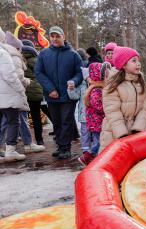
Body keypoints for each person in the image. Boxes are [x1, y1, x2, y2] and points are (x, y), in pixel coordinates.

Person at [35, 26, 83, 159]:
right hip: (51, 95)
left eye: (58, 36)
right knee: (56, 122)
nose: (55, 39)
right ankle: (61, 146)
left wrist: (74, 81)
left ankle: (65, 148)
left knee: (66, 121)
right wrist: (50, 89)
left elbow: (80, 72)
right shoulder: (44, 54)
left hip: (68, 95)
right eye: (53, 36)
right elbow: (39, 72)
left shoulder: (73, 54)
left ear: (64, 37)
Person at [99, 46, 146, 153]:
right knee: (114, 160)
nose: (138, 64)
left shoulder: (140, 82)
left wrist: (138, 128)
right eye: (134, 61)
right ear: (123, 64)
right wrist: (121, 133)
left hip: (135, 131)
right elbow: (112, 110)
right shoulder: (112, 84)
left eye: (138, 60)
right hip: (114, 132)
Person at [4, 31, 44, 153]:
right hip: (24, 92)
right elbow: (18, 77)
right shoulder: (16, 57)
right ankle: (31, 142)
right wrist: (24, 85)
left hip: (12, 94)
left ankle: (15, 143)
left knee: (9, 120)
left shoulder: (8, 56)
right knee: (25, 118)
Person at [0, 32, 29, 161]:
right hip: (8, 94)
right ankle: (11, 150)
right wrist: (20, 89)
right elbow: (10, 75)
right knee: (13, 120)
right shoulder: (3, 53)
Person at [78, 62, 110, 166]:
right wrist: (107, 108)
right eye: (104, 73)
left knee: (101, 141)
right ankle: (88, 157)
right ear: (99, 74)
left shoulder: (97, 87)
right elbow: (98, 105)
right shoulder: (96, 89)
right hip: (97, 123)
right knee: (99, 142)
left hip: (97, 122)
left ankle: (94, 158)